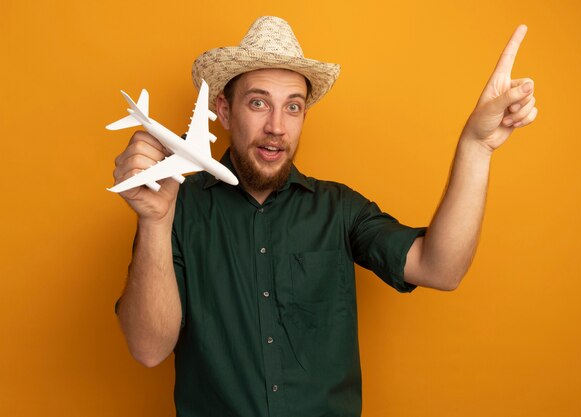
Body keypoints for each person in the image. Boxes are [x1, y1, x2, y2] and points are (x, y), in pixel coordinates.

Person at [113, 16, 537, 417]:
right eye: (258, 102)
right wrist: (154, 221)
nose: (276, 126)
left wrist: (476, 147)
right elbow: (148, 349)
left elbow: (440, 268)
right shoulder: (176, 208)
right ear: (223, 111)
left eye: (293, 107)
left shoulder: (340, 209)